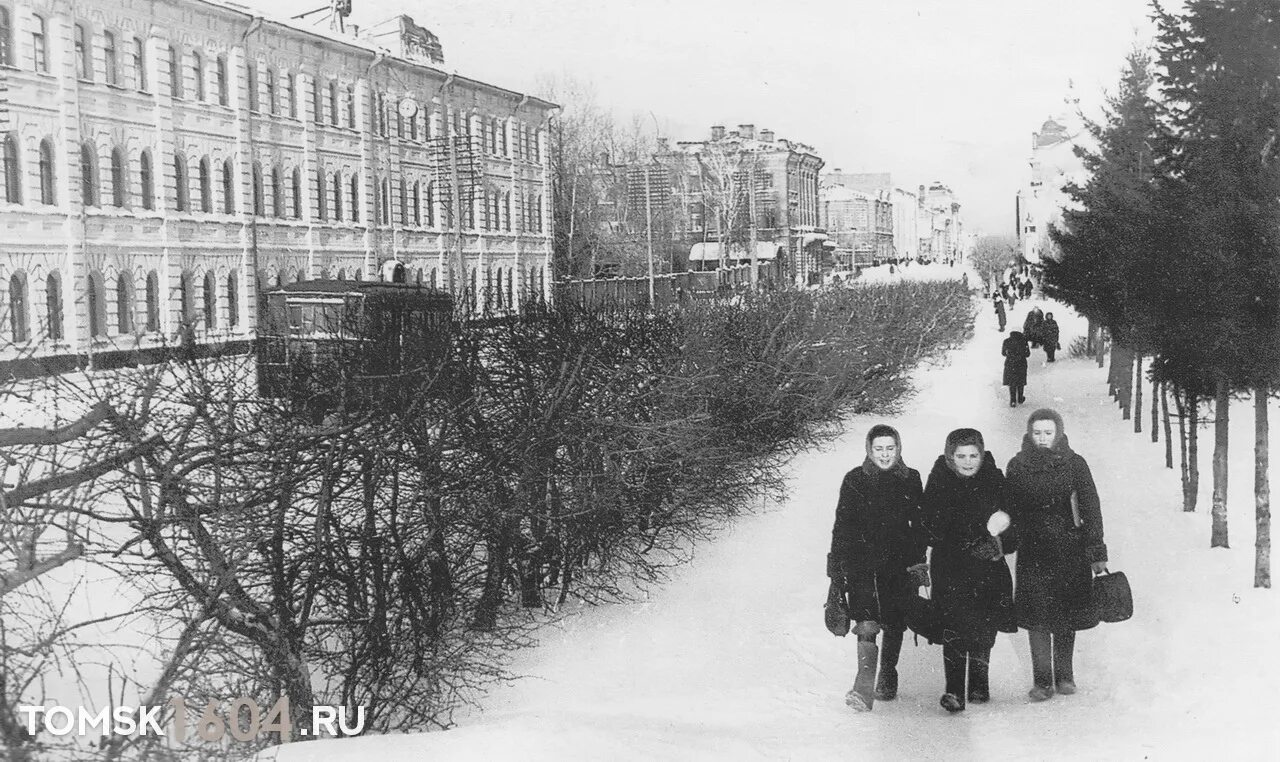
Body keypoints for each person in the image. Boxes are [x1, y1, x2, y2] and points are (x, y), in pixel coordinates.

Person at [1004, 409, 1109, 702]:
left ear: (1058, 433)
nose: (1042, 438)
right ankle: (1042, 681)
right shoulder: (1018, 465)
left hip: (1069, 549)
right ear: (1029, 433)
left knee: (1066, 614)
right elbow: (1010, 508)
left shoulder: (1075, 465)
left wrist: (1096, 550)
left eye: (1048, 433)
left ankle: (1065, 676)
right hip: (1033, 550)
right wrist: (1009, 539)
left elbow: (1091, 507)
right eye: (1037, 433)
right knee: (1037, 617)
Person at [826, 424, 928, 711]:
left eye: (890, 448)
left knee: (895, 621)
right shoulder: (854, 479)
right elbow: (842, 525)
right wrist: (837, 567)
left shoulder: (911, 479)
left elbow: (919, 525)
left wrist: (918, 560)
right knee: (867, 621)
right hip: (862, 564)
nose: (885, 455)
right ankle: (864, 684)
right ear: (869, 451)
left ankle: (888, 675)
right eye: (878, 449)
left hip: (899, 564)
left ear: (899, 449)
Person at [920, 429, 1017, 713]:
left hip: (987, 566)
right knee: (952, 625)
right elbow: (927, 523)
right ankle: (953, 689)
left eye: (973, 455)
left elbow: (1014, 521)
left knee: (984, 626)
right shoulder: (938, 480)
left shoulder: (995, 479)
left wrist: (1000, 540)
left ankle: (979, 682)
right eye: (960, 456)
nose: (968, 461)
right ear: (950, 457)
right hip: (950, 566)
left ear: (982, 454)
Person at [1001, 330, 1030, 407]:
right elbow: (1027, 354)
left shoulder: (1006, 341)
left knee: (1012, 382)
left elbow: (1003, 353)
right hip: (1021, 364)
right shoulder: (1023, 341)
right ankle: (1020, 398)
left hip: (1010, 364)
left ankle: (1013, 400)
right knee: (1021, 382)